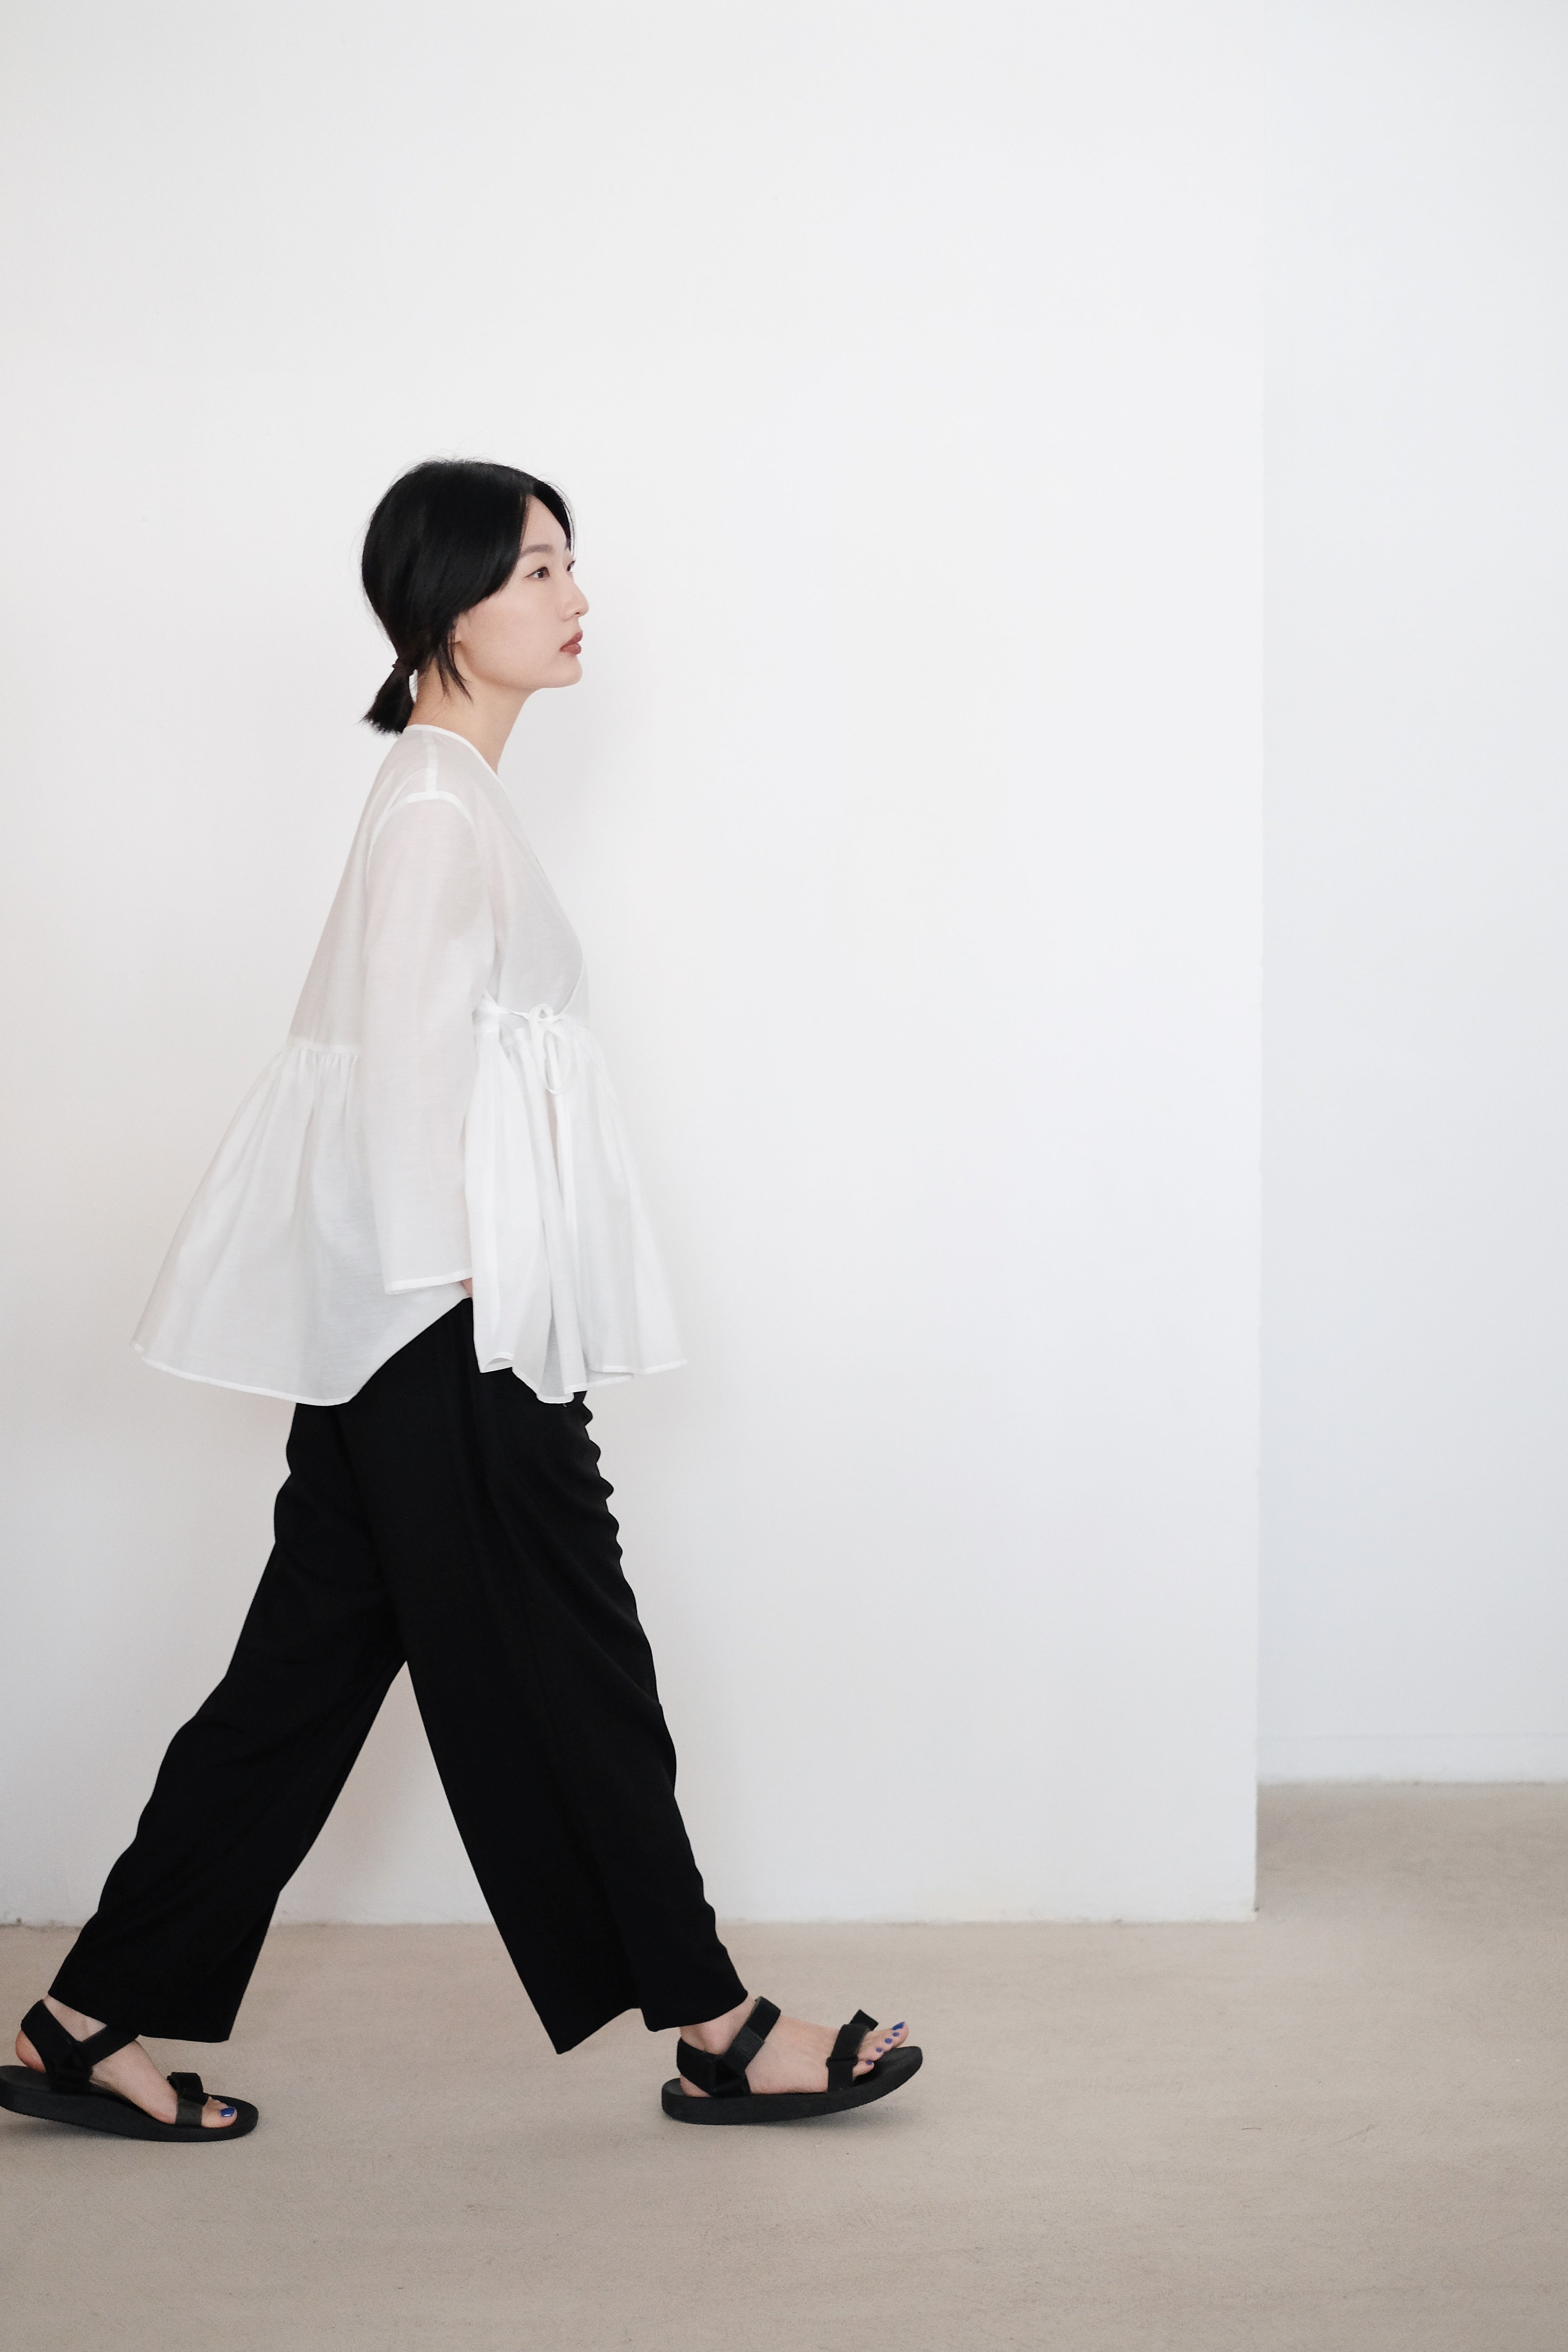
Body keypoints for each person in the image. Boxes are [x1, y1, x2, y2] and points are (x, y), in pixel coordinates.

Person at [0, 460, 919, 2141]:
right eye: (538, 569)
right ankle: (716, 2024)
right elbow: (401, 1090)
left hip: (415, 1331)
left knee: (297, 1685)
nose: (577, 599)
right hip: (446, 1333)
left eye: (572, 565)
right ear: (447, 604)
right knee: (579, 1658)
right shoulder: (436, 803)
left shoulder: (447, 793)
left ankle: (80, 2023)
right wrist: (485, 1325)